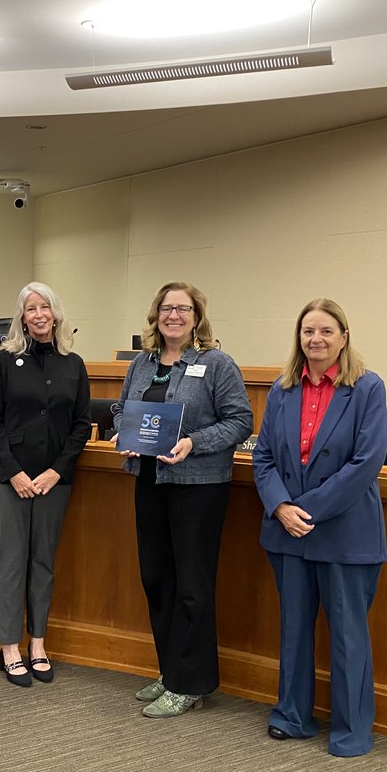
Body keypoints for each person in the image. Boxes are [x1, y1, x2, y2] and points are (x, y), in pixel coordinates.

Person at [252, 298, 387, 757]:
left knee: (348, 634)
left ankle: (352, 730)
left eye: (327, 331)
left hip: (343, 530)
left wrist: (304, 509)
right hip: (287, 530)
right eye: (308, 331)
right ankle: (291, 716)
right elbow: (264, 457)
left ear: (344, 337)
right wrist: (280, 507)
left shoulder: (368, 389)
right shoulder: (282, 389)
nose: (316, 339)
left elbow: (366, 462)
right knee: (293, 629)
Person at [115, 282, 253, 718]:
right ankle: (170, 669)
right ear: (155, 315)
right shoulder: (142, 363)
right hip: (150, 480)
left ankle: (190, 683)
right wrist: (125, 430)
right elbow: (120, 408)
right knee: (157, 579)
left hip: (198, 487)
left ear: (197, 317)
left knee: (192, 585)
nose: (174, 315)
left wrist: (194, 441)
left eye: (183, 308)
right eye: (166, 308)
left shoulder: (216, 364)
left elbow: (240, 421)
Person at [0, 282, 91, 687]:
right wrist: (13, 472)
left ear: (56, 314)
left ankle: (38, 643)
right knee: (12, 562)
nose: (40, 314)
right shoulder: (5, 362)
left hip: (53, 481)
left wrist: (56, 471)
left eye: (46, 307)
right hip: (9, 480)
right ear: (22, 318)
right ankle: (9, 646)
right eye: (31, 309)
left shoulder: (73, 363)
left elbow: (82, 426)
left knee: (42, 563)